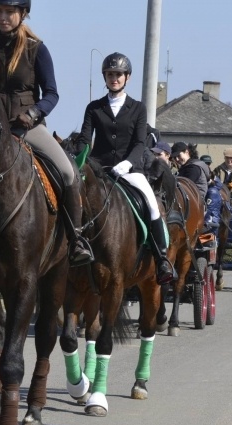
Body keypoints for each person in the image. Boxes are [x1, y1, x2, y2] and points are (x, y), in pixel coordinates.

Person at [0, 0, 92, 267]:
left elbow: (52, 94)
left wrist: (34, 114)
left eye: (9, 12)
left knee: (68, 172)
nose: (3, 17)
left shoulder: (37, 50)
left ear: (22, 14)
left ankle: (76, 238)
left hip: (27, 128)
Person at [76, 51, 172, 284]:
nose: (114, 78)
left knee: (150, 202)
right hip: (99, 169)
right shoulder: (94, 108)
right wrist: (80, 158)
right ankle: (70, 248)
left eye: (118, 74)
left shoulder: (138, 108)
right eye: (110, 74)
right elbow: (85, 138)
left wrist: (127, 163)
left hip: (130, 169)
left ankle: (162, 259)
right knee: (74, 200)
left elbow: (140, 142)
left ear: (127, 77)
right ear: (105, 77)